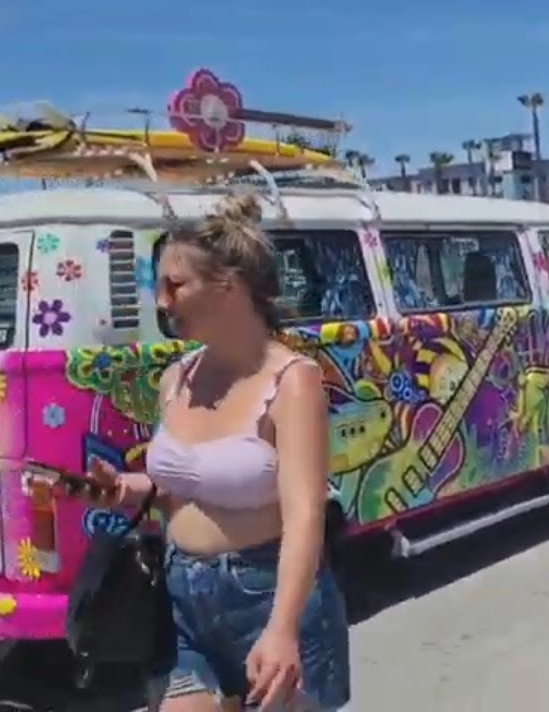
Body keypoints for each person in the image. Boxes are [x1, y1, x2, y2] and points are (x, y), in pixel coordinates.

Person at [65, 195, 350, 711]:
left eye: (175, 285)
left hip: (267, 596)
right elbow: (179, 486)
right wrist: (121, 490)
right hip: (178, 602)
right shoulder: (178, 378)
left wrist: (282, 628)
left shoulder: (293, 382)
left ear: (227, 286)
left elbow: (306, 515)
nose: (161, 302)